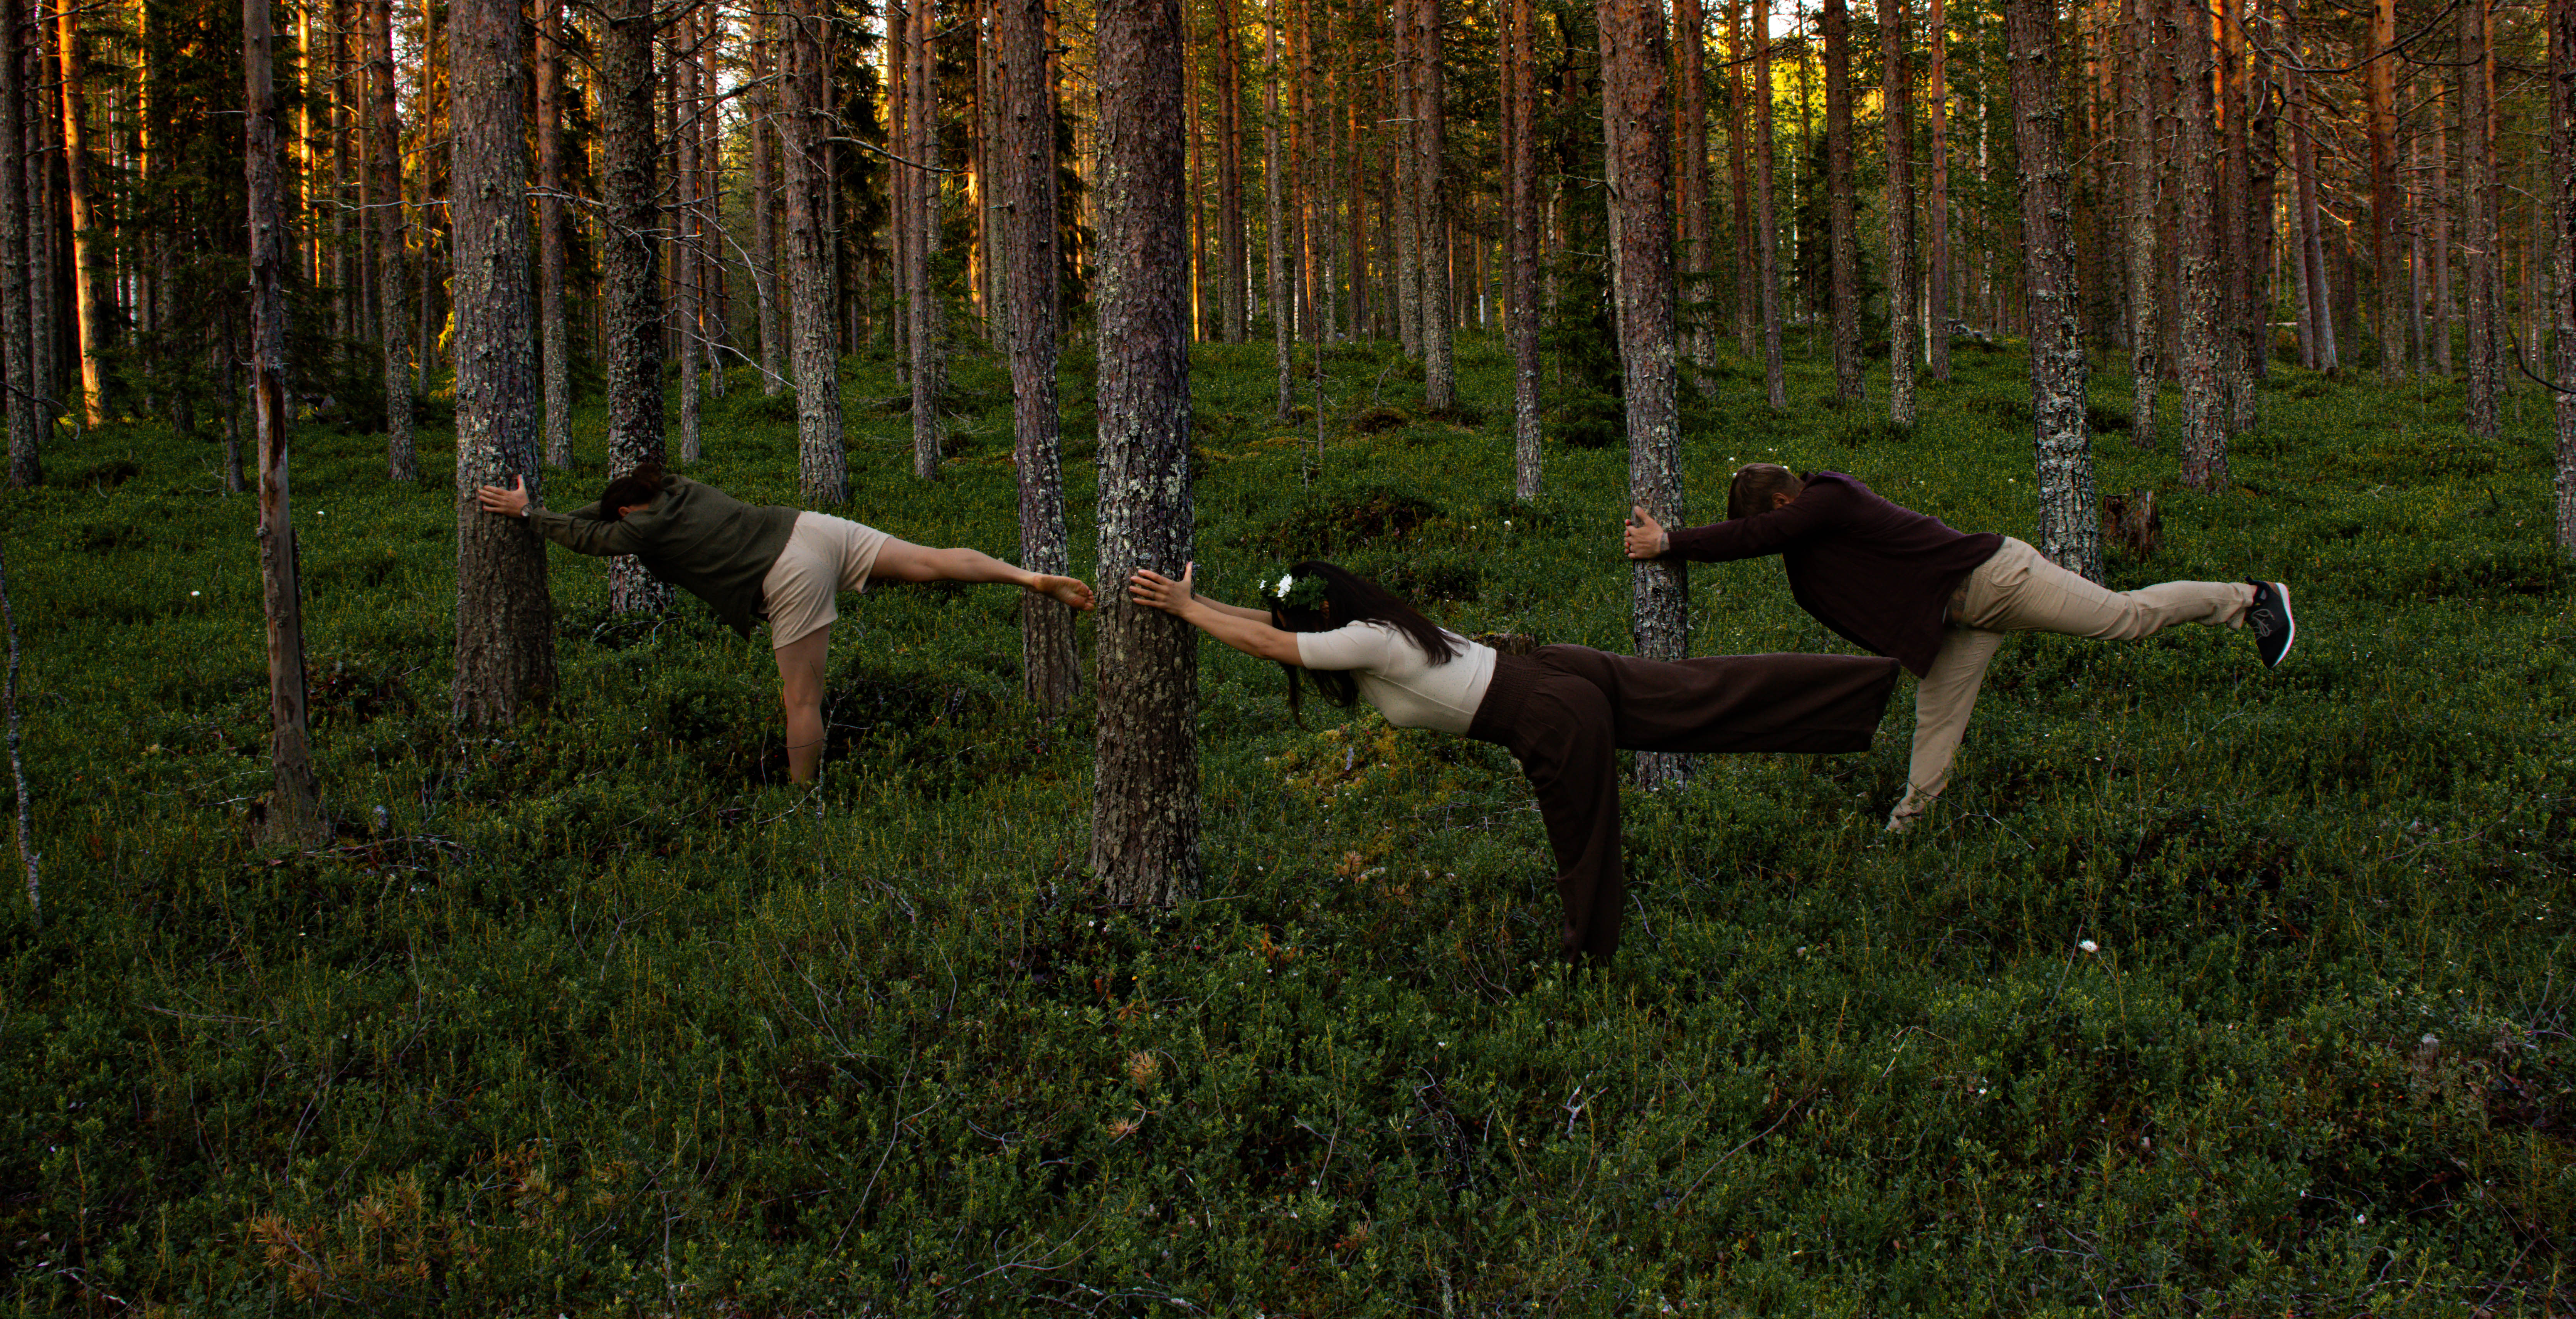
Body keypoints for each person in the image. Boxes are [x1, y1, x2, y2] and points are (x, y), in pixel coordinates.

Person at [1127, 558, 1900, 964]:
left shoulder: (1365, 640)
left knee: (1584, 843)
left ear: (1322, 618)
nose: (1292, 627)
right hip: (1553, 669)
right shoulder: (1372, 620)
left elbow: (1271, 639)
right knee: (1700, 692)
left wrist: (1187, 610)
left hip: (1547, 711)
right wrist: (1193, 604)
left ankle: (1588, 976)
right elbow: (1273, 623)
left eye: (1301, 617)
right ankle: (1862, 689)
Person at [1622, 464, 2295, 833]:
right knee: (1936, 716)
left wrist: (1671, 543)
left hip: (2000, 578)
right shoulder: (1813, 551)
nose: (1776, 532)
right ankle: (1911, 824)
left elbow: (1754, 540)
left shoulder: (1830, 497)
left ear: (1779, 503)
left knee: (2125, 617)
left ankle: (2250, 598)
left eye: (1771, 520)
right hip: (1957, 622)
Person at [477, 463, 1094, 782]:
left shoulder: (640, 524)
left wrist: (532, 514)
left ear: (630, 510)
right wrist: (553, 507)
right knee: (932, 561)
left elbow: (591, 534)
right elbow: (602, 513)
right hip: (810, 527)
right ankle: (1028, 578)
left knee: (802, 700)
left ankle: (802, 802)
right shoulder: (674, 487)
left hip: (790, 572)